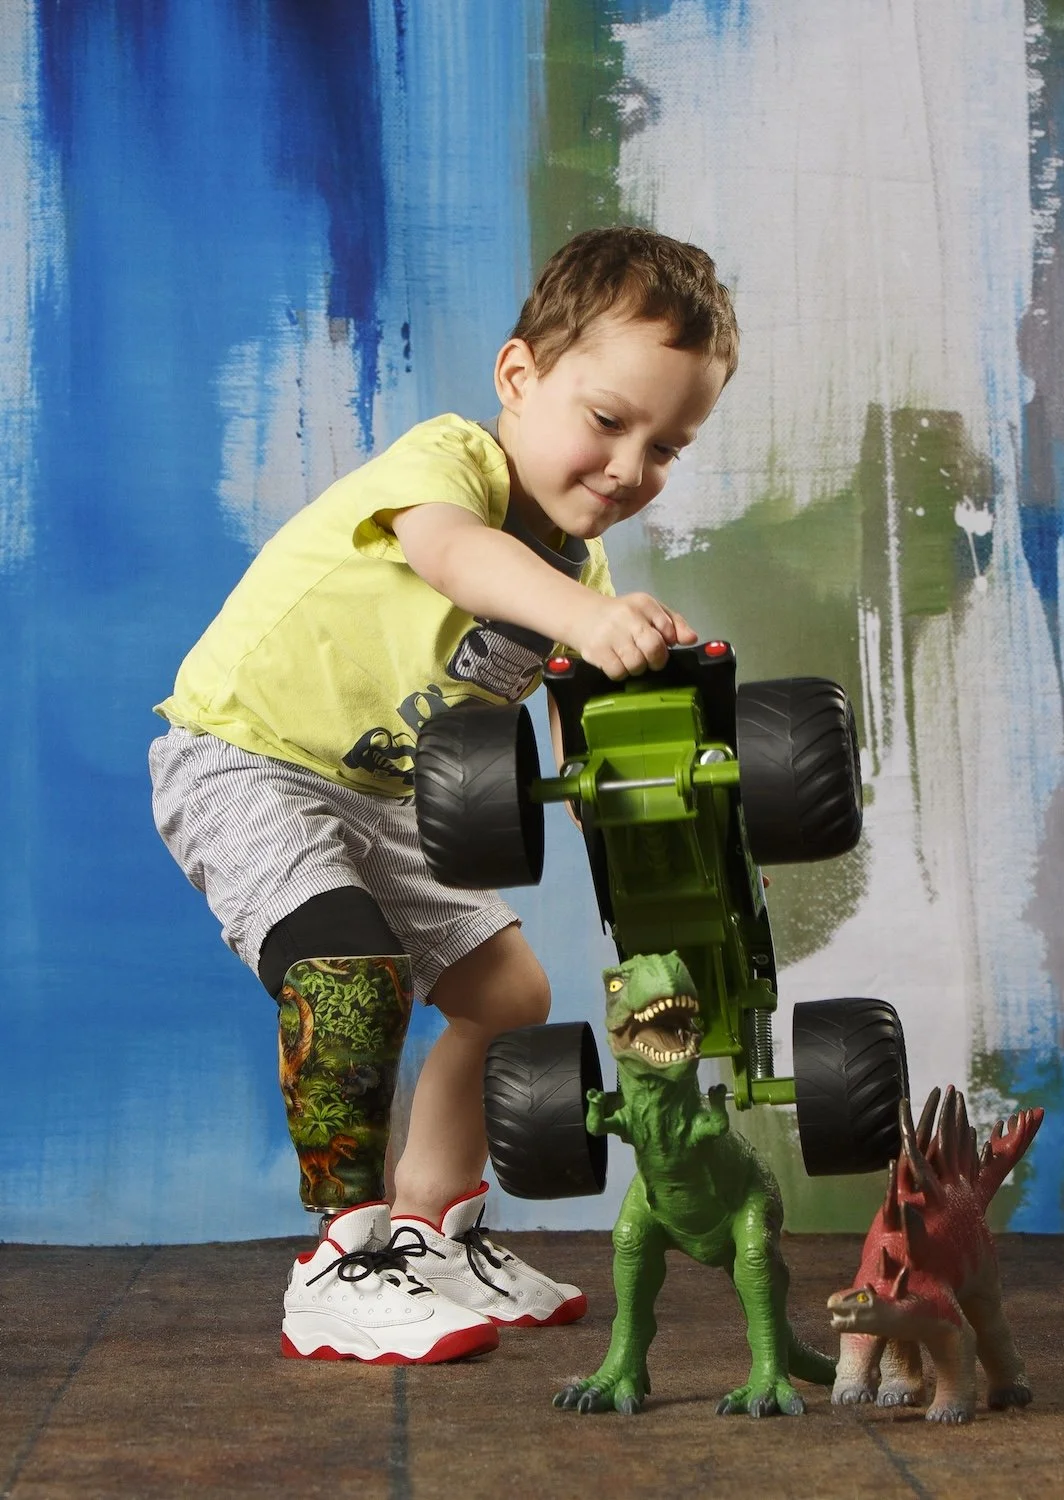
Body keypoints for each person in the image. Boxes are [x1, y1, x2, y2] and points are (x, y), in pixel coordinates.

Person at [149, 225, 739, 1365]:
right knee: (351, 978)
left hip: (381, 801)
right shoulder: (450, 465)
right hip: (245, 753)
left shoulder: (579, 573)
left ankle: (433, 1227)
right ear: (520, 377)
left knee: (509, 990)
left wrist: (681, 822)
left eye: (668, 446)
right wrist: (588, 622)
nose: (629, 468)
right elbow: (460, 559)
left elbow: (586, 763)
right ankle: (344, 1257)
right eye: (609, 422)